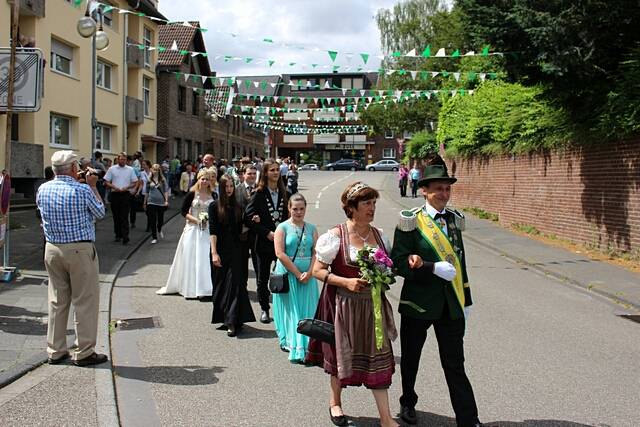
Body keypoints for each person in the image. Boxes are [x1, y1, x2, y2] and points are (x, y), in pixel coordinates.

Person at [390, 158, 480, 427]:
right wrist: (430, 268)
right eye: (438, 189)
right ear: (424, 191)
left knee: (455, 364)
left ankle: (468, 418)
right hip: (418, 302)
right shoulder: (410, 221)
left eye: (447, 189)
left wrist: (467, 298)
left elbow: (460, 264)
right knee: (411, 359)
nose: (444, 194)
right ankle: (408, 403)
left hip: (451, 304)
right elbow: (398, 262)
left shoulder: (454, 221)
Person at [306, 182, 398, 427]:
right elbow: (317, 270)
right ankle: (335, 402)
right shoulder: (335, 236)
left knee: (377, 356)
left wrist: (384, 277)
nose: (372, 208)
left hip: (372, 308)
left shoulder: (380, 236)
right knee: (341, 356)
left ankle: (386, 418)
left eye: (374, 203)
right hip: (342, 306)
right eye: (367, 203)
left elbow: (389, 269)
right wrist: (345, 282)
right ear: (352, 208)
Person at [36, 150, 107, 366]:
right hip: (79, 250)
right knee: (84, 300)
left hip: (52, 248)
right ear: (74, 168)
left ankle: (55, 349)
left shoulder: (42, 189)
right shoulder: (83, 190)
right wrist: (93, 186)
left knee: (57, 300)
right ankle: (84, 351)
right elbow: (100, 212)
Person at [272, 193, 319, 362]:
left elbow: (316, 252)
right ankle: (292, 342)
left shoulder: (312, 228)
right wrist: (298, 274)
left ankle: (309, 343)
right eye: (295, 209)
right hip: (288, 274)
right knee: (292, 310)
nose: (298, 212)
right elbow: (279, 253)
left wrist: (311, 272)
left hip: (308, 276)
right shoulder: (282, 228)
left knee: (308, 309)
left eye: (301, 209)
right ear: (289, 209)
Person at [156, 169, 215, 298]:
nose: (204, 181)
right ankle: (191, 288)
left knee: (205, 259)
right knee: (192, 258)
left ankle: (205, 288)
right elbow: (183, 212)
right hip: (193, 229)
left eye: (207, 179)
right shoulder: (192, 194)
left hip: (207, 230)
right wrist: (196, 221)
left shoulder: (214, 195)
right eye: (202, 179)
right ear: (198, 179)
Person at [210, 175, 256, 337]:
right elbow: (213, 232)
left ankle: (233, 321)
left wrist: (253, 222)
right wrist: (214, 253)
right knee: (222, 287)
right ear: (221, 188)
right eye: (226, 186)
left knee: (235, 285)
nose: (229, 189)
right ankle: (228, 318)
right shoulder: (214, 206)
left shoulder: (237, 207)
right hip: (221, 252)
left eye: (231, 186)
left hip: (237, 250)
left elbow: (241, 229)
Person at [245, 159, 290, 324]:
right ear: (265, 173)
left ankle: (284, 308)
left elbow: (290, 216)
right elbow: (248, 217)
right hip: (263, 243)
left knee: (284, 275)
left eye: (277, 170)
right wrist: (266, 232)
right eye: (272, 170)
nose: (275, 173)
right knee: (262, 278)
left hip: (282, 243)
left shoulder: (285, 192)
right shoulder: (259, 193)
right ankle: (265, 308)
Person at [104, 153, 138, 245]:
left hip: (125, 194)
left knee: (124, 215)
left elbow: (135, 182)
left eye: (124, 159)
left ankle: (125, 236)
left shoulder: (130, 169)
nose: (123, 161)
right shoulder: (112, 169)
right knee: (116, 216)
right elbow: (106, 181)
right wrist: (114, 187)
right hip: (115, 194)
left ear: (126, 160)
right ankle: (118, 234)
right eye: (121, 159)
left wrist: (127, 187)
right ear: (118, 159)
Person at [235, 164, 259, 284]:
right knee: (241, 263)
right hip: (242, 233)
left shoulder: (261, 189)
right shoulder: (236, 190)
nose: (252, 176)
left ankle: (261, 288)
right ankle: (242, 288)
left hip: (257, 233)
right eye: (249, 173)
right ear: (243, 174)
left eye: (254, 174)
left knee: (258, 263)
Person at [143, 164, 170, 244]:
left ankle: (159, 228)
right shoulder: (149, 180)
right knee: (152, 220)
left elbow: (165, 191)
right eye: (154, 169)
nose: (155, 171)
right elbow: (147, 192)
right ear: (151, 170)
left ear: (159, 171)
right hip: (151, 201)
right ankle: (154, 237)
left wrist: (166, 201)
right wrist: (145, 202)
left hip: (161, 202)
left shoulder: (162, 179)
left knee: (160, 219)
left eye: (157, 169)